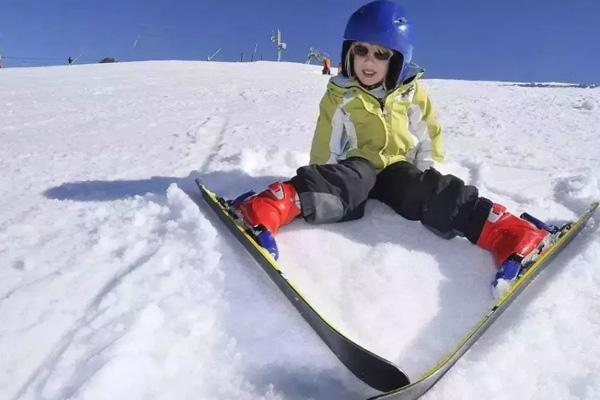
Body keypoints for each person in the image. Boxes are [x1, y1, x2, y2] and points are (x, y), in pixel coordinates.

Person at [234, 0, 549, 297]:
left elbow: (428, 132)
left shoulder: (411, 94)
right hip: (358, 164)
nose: (369, 61)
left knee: (428, 191)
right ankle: (276, 204)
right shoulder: (340, 95)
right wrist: (322, 171)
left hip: (398, 167)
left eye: (381, 54)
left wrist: (426, 170)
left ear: (397, 59)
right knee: (348, 183)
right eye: (361, 50)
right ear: (349, 53)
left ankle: (505, 230)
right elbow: (326, 138)